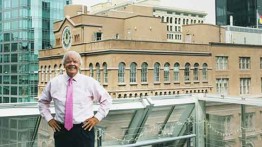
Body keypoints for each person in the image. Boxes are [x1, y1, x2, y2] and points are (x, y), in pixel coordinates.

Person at [38, 51, 112, 147]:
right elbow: (42, 102)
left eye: (75, 62)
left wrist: (97, 118)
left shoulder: (89, 82)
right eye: (68, 61)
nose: (72, 64)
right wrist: (49, 119)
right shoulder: (54, 83)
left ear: (79, 64)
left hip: (84, 130)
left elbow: (106, 100)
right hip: (61, 131)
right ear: (64, 65)